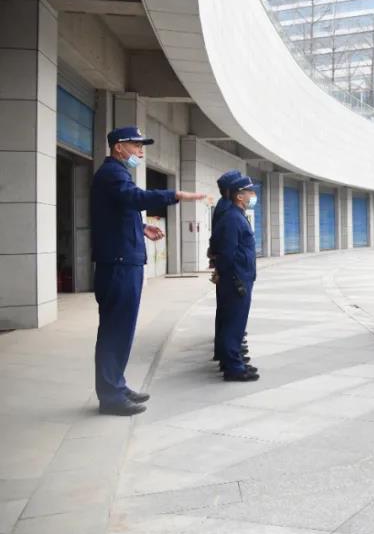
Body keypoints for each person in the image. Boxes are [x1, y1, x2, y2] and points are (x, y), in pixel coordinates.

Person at [91, 126, 206, 415]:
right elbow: (136, 198)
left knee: (121, 330)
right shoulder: (113, 173)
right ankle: (111, 396)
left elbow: (119, 211)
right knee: (115, 331)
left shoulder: (117, 174)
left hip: (123, 262)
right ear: (119, 147)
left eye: (142, 147)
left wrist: (141, 227)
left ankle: (116, 385)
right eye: (136, 145)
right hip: (119, 265)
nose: (141, 152)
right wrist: (175, 194)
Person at [210, 174, 260, 382]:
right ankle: (234, 368)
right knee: (233, 324)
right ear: (239, 196)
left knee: (234, 323)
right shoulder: (232, 218)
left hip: (240, 276)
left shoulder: (237, 215)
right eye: (249, 191)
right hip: (236, 279)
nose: (253, 195)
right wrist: (227, 274)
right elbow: (227, 252)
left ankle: (233, 362)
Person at [209, 169, 242, 365]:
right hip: (231, 270)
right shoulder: (228, 209)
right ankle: (229, 355)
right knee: (230, 313)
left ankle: (228, 351)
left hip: (228, 267)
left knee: (228, 312)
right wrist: (221, 268)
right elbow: (224, 242)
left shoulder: (226, 206)